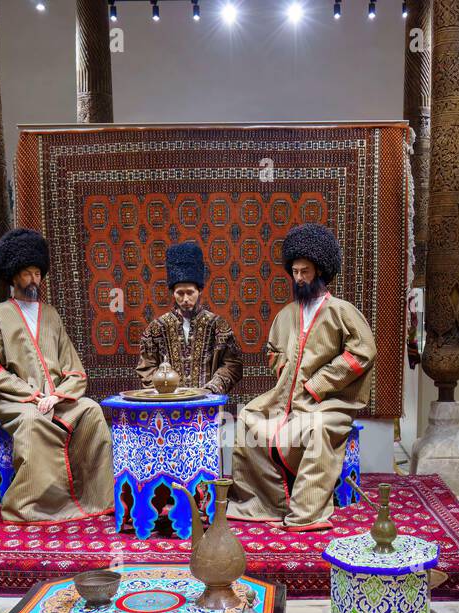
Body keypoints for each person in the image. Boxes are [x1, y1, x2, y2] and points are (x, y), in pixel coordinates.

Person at [227, 223, 376, 531]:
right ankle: (264, 503)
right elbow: (273, 351)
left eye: (304, 271)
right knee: (248, 418)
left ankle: (305, 513)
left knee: (318, 426)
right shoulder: (285, 315)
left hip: (330, 402)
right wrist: (284, 369)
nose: (298, 278)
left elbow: (362, 352)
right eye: (294, 271)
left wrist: (318, 383)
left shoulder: (341, 311)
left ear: (320, 271)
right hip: (285, 401)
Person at [0, 228, 113, 523]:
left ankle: (95, 497)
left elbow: (73, 367)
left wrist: (57, 395)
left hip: (55, 398)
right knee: (34, 421)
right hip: (16, 400)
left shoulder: (50, 314)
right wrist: (32, 396)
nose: (34, 280)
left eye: (38, 273)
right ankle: (35, 505)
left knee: (90, 410)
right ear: (13, 276)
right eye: (27, 274)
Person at [136, 241, 242, 394]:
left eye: (190, 292)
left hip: (207, 404)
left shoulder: (218, 326)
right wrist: (163, 389)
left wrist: (212, 388)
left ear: (199, 291)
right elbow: (146, 367)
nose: (185, 299)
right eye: (180, 293)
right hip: (168, 405)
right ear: (173, 293)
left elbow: (233, 365)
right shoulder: (156, 328)